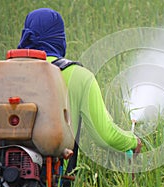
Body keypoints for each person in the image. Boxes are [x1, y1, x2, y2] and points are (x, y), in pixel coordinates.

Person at [17, 8, 141, 157]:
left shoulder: (3, 72)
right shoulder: (79, 76)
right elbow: (105, 136)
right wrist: (132, 142)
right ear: (59, 37)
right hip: (53, 178)